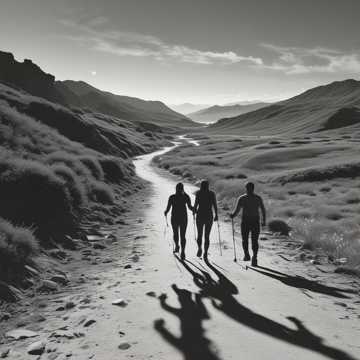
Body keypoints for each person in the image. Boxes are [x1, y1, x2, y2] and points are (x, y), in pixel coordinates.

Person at [230, 182, 266, 267]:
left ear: (246, 188)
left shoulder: (242, 198)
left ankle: (247, 255)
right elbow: (263, 210)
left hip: (246, 221)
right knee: (254, 240)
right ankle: (254, 258)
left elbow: (237, 211)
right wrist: (264, 221)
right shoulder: (258, 198)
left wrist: (232, 215)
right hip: (255, 221)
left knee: (245, 239)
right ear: (253, 188)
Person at [164, 183, 193, 260]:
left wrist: (165, 212)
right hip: (183, 218)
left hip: (174, 218)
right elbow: (190, 207)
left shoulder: (172, 197)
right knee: (183, 235)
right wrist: (195, 210)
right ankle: (183, 252)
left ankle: (177, 246)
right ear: (182, 188)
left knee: (175, 233)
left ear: (176, 188)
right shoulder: (186, 197)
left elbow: (168, 208)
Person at [193, 180, 218, 260]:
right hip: (209, 215)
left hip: (200, 215)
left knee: (199, 234)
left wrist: (194, 211)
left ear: (201, 186)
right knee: (207, 236)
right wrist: (216, 215)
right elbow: (215, 204)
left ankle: (200, 248)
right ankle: (205, 253)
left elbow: (196, 204)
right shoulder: (211, 193)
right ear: (208, 186)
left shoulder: (199, 193)